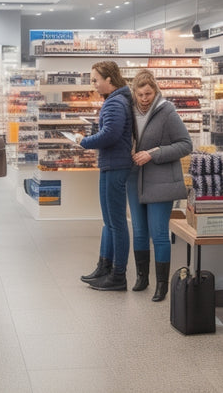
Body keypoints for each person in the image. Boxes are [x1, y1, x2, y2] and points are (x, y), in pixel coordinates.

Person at [127, 68, 192, 302]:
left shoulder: (167, 112)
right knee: (140, 231)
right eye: (140, 94)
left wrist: (153, 153)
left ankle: (162, 285)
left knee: (159, 233)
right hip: (134, 178)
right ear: (133, 93)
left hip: (161, 180)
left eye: (149, 94)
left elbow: (186, 145)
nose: (145, 99)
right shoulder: (129, 112)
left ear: (155, 91)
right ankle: (142, 278)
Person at [78, 61, 133, 291]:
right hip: (112, 164)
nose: (94, 85)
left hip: (116, 165)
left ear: (109, 79)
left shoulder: (115, 102)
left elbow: (110, 134)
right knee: (109, 222)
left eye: (95, 80)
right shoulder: (116, 100)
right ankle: (105, 267)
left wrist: (84, 141)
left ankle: (118, 275)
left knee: (116, 222)